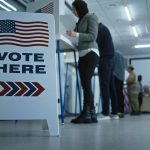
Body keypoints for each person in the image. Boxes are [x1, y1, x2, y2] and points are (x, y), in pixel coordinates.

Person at [67, 0, 99, 123]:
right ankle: (91, 114)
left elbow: (92, 36)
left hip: (91, 52)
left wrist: (76, 35)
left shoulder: (91, 17)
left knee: (86, 82)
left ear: (80, 8)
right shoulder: (79, 21)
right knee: (85, 84)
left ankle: (86, 113)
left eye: (74, 9)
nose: (73, 12)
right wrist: (74, 35)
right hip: (82, 54)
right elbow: (78, 36)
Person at [96, 23, 118, 119]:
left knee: (104, 85)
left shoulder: (100, 29)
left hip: (105, 59)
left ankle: (105, 113)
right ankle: (114, 113)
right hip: (110, 59)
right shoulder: (104, 28)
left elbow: (95, 43)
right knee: (111, 86)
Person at [114, 51, 125, 118]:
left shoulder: (114, 54)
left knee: (115, 95)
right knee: (120, 94)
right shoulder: (121, 55)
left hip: (115, 76)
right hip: (121, 77)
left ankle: (116, 111)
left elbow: (112, 64)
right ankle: (121, 111)